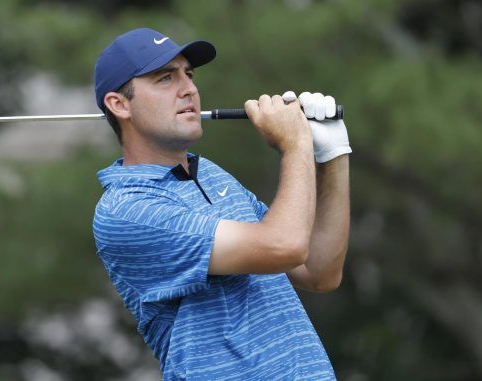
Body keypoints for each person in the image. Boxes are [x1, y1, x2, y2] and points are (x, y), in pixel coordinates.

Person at [92, 27, 350, 380]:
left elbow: (319, 271)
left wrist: (333, 155)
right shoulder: (126, 210)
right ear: (119, 105)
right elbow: (284, 246)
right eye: (165, 78)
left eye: (189, 74)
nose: (189, 89)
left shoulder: (210, 174)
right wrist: (296, 146)